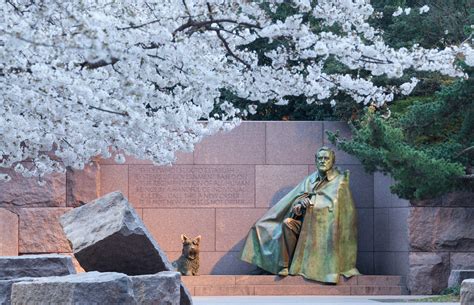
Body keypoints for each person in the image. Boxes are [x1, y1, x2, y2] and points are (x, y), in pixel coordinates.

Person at [240, 147, 359, 283]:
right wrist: (297, 206)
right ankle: (282, 265)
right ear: (315, 160)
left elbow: (333, 204)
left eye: (326, 158)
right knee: (271, 225)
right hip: (302, 223)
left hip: (320, 229)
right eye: (320, 158)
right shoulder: (310, 180)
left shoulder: (340, 181)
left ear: (333, 161)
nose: (322, 161)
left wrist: (311, 202)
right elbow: (295, 198)